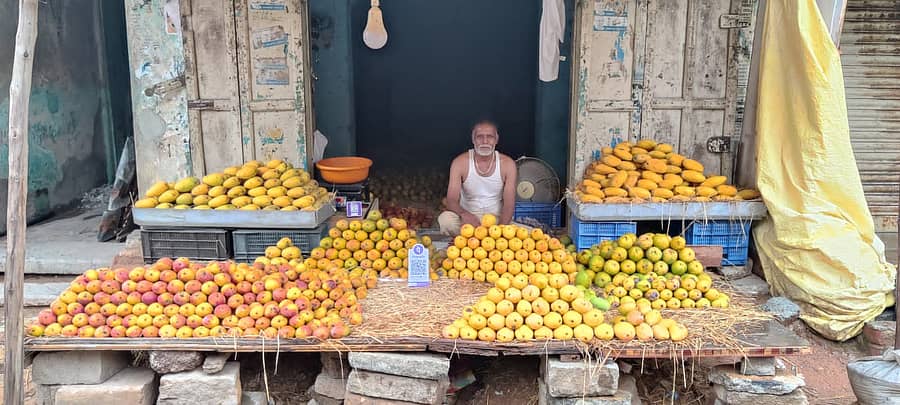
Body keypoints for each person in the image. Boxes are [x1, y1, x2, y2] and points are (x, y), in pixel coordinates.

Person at [437, 120, 517, 235]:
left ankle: (482, 239)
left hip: (496, 220)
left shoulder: (507, 164)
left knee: (528, 234)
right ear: (473, 139)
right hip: (468, 221)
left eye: (489, 137)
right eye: (480, 137)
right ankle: (470, 239)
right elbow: (451, 200)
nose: (485, 141)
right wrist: (464, 214)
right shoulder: (460, 163)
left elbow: (509, 204)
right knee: (446, 220)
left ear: (497, 139)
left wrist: (500, 231)